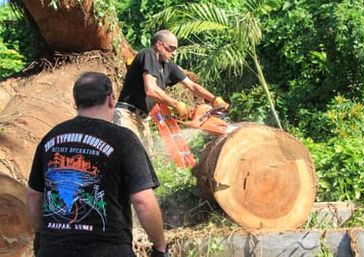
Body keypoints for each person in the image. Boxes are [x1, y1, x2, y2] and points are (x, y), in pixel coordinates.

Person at [26, 72, 169, 257]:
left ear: (76, 102)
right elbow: (143, 200)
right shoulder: (123, 139)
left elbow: (33, 195)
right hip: (109, 250)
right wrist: (160, 247)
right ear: (110, 99)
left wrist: (41, 237)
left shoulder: (51, 137)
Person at [115, 29, 229, 149]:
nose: (174, 53)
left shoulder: (167, 65)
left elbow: (192, 86)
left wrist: (215, 99)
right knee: (127, 154)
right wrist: (176, 104)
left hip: (143, 119)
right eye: (172, 48)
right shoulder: (148, 54)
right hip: (128, 114)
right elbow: (151, 90)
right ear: (159, 45)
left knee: (145, 157)